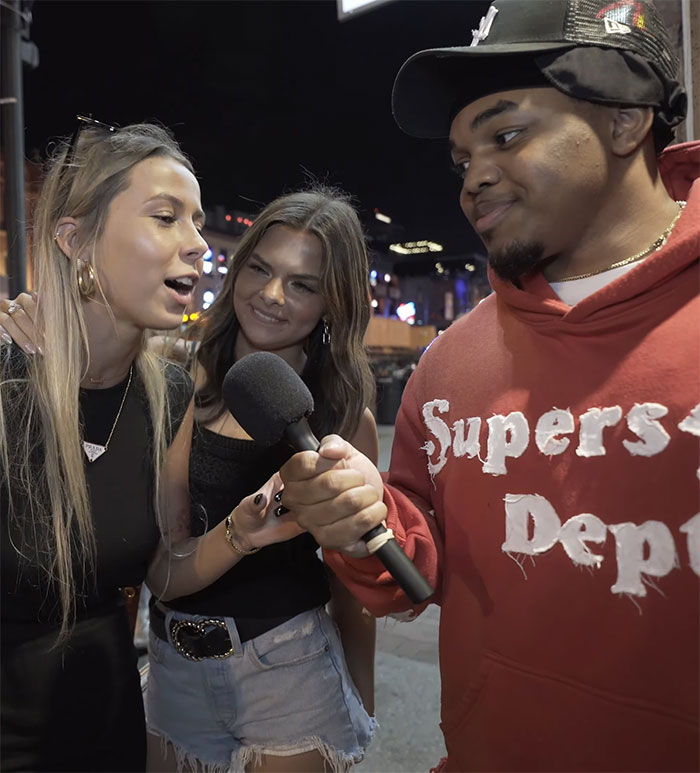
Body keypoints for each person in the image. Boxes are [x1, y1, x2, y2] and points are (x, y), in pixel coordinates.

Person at [278, 1, 700, 771]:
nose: (474, 178)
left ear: (625, 119)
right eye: (461, 158)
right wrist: (360, 520)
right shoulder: (449, 362)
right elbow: (415, 572)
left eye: (505, 136)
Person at [0, 118, 304, 772]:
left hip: (108, 726)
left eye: (197, 222)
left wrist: (243, 532)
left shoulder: (169, 393)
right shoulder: (6, 381)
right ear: (75, 240)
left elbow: (164, 568)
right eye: (166, 218)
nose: (197, 244)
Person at [142, 186, 378, 773]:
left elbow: (352, 581)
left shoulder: (345, 418)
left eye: (302, 285)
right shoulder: (171, 374)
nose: (271, 296)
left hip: (291, 670)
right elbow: (157, 557)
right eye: (260, 269)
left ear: (332, 303)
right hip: (173, 668)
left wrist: (361, 690)